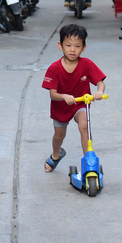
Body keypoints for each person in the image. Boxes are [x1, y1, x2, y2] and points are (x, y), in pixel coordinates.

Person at [41, 24, 106, 173]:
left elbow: (100, 82)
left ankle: (89, 162)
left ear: (83, 48)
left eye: (77, 46)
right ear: (60, 46)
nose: (72, 49)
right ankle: (56, 154)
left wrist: (99, 92)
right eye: (68, 45)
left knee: (84, 126)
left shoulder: (87, 64)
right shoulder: (54, 68)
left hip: (80, 104)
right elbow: (52, 94)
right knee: (59, 136)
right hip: (61, 107)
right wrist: (64, 96)